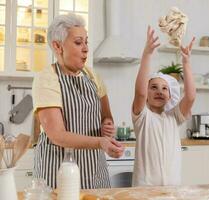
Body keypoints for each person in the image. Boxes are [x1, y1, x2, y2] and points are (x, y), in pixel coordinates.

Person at [32, 13, 124, 189]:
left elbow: (107, 117)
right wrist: (100, 142)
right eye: (78, 42)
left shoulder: (92, 76)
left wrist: (107, 126)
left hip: (94, 172)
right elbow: (57, 135)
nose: (86, 48)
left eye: (86, 42)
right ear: (58, 46)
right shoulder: (47, 79)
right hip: (57, 173)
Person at [132, 26, 196, 186]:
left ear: (170, 96)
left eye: (164, 88)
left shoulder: (174, 117)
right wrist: (147, 54)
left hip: (172, 189)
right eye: (153, 87)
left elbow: (190, 96)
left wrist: (186, 63)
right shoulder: (142, 117)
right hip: (144, 190)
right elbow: (139, 93)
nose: (159, 91)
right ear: (146, 93)